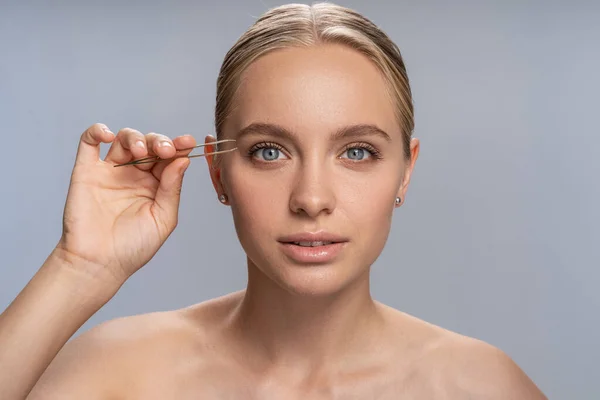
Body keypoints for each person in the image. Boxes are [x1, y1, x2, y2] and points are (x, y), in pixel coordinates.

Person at [0, 3, 546, 399]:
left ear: (406, 170)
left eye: (357, 151)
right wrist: (80, 268)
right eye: (269, 151)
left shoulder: (480, 386)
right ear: (217, 170)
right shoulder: (119, 373)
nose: (311, 199)